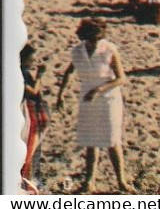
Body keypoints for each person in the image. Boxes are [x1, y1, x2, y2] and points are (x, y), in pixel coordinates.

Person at [55, 19, 128, 193]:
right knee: (91, 140)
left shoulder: (109, 49)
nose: (94, 42)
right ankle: (89, 181)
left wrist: (100, 89)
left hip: (108, 96)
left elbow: (121, 78)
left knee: (112, 139)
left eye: (97, 38)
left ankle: (121, 180)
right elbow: (69, 72)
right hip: (87, 96)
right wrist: (61, 94)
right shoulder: (78, 51)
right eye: (91, 38)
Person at [21, 43, 49, 192]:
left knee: (33, 147)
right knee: (30, 146)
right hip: (28, 112)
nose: (34, 61)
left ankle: (30, 179)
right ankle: (28, 181)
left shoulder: (24, 72)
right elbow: (33, 91)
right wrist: (39, 76)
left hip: (32, 110)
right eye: (32, 59)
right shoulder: (20, 73)